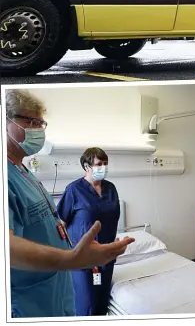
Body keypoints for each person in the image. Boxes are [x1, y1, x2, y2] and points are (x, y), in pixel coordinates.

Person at [5, 89, 134, 318]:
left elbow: (54, 225)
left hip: (58, 284)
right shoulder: (8, 176)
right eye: (30, 121)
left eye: (41, 123)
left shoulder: (22, 171)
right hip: (29, 298)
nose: (38, 129)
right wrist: (71, 258)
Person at [57, 147, 120, 316]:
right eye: (99, 164)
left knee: (101, 304)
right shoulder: (74, 190)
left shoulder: (111, 188)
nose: (104, 168)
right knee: (87, 305)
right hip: (82, 258)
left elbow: (113, 219)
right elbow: (61, 224)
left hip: (107, 256)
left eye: (106, 164)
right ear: (87, 167)